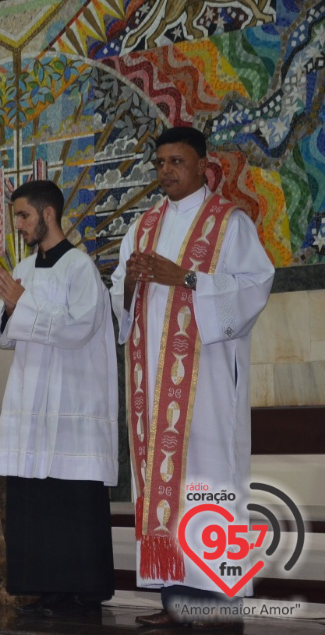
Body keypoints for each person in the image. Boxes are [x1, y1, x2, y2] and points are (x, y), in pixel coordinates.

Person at [110, 127, 274, 627]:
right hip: (150, 387)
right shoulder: (142, 226)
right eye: (160, 162)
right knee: (161, 492)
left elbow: (255, 284)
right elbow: (119, 296)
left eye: (177, 162)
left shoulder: (230, 224)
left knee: (207, 482)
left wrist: (182, 277)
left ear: (203, 165)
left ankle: (217, 602)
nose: (166, 171)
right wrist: (132, 285)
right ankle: (173, 600)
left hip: (206, 385)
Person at [0, 180, 118, 617]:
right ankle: (45, 588)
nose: (18, 225)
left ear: (48, 215)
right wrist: (10, 310)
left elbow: (78, 328)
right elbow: (2, 336)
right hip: (32, 400)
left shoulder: (80, 268)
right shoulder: (23, 269)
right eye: (16, 217)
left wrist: (21, 306)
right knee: (36, 499)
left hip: (72, 404)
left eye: (23, 216)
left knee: (70, 499)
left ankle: (80, 593)